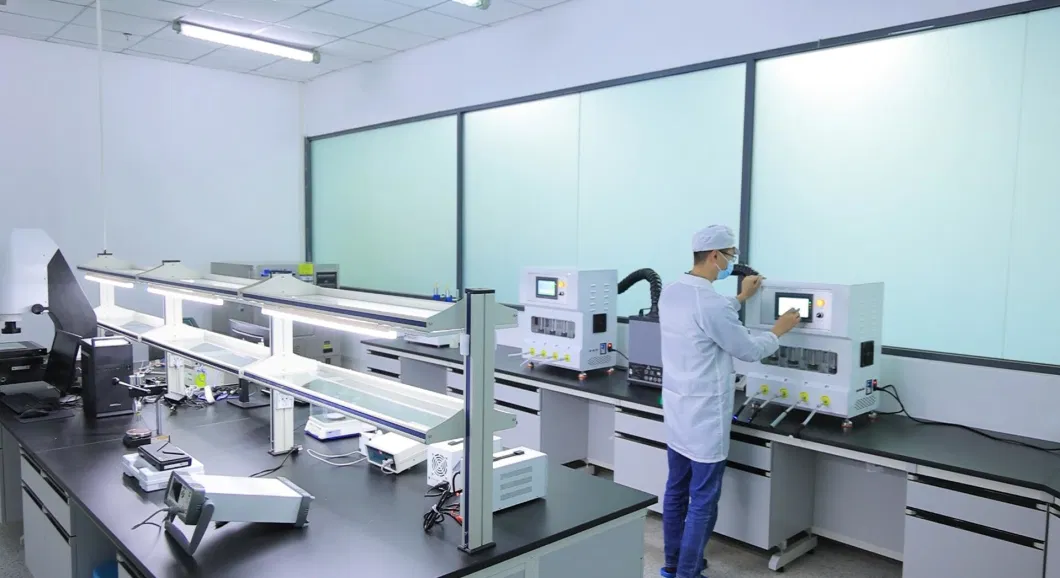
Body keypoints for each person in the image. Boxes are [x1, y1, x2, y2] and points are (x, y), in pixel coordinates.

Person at [657, 224, 802, 578]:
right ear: (714, 256)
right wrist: (779, 330)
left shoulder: (672, 292)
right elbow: (747, 350)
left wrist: (739, 298)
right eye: (731, 255)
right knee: (703, 500)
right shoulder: (709, 303)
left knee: (676, 491)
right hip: (705, 416)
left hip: (678, 410)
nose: (732, 261)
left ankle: (672, 566)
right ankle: (688, 573)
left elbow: (704, 319)